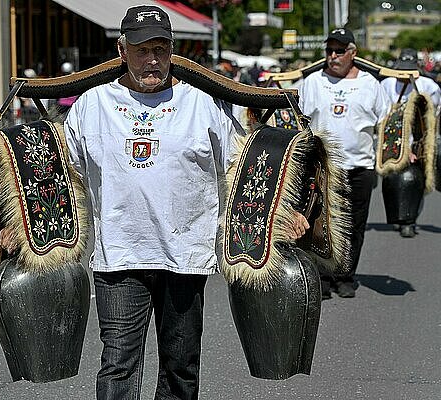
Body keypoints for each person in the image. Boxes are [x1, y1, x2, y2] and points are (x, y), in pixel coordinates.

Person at [58, 5, 308, 399]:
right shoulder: (92, 105)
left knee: (181, 366)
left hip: (185, 256)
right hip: (120, 257)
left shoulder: (203, 103)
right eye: (142, 49)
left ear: (172, 50)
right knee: (118, 363)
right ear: (122, 51)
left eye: (160, 48)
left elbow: (242, 168)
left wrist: (281, 212)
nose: (152, 59)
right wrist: (20, 228)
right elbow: (60, 174)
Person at [298, 28, 392, 299]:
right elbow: (298, 120)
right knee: (319, 222)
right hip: (322, 167)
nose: (333, 56)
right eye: (329, 51)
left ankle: (345, 276)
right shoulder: (313, 82)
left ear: (353, 53)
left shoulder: (370, 85)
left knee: (354, 225)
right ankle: (323, 276)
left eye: (340, 51)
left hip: (359, 166)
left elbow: (385, 122)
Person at [380, 48, 441, 238]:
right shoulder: (387, 84)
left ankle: (411, 219)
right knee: (392, 178)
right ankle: (399, 215)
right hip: (393, 138)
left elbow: (433, 115)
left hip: (419, 139)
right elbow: (382, 114)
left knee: (417, 180)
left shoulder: (429, 86)